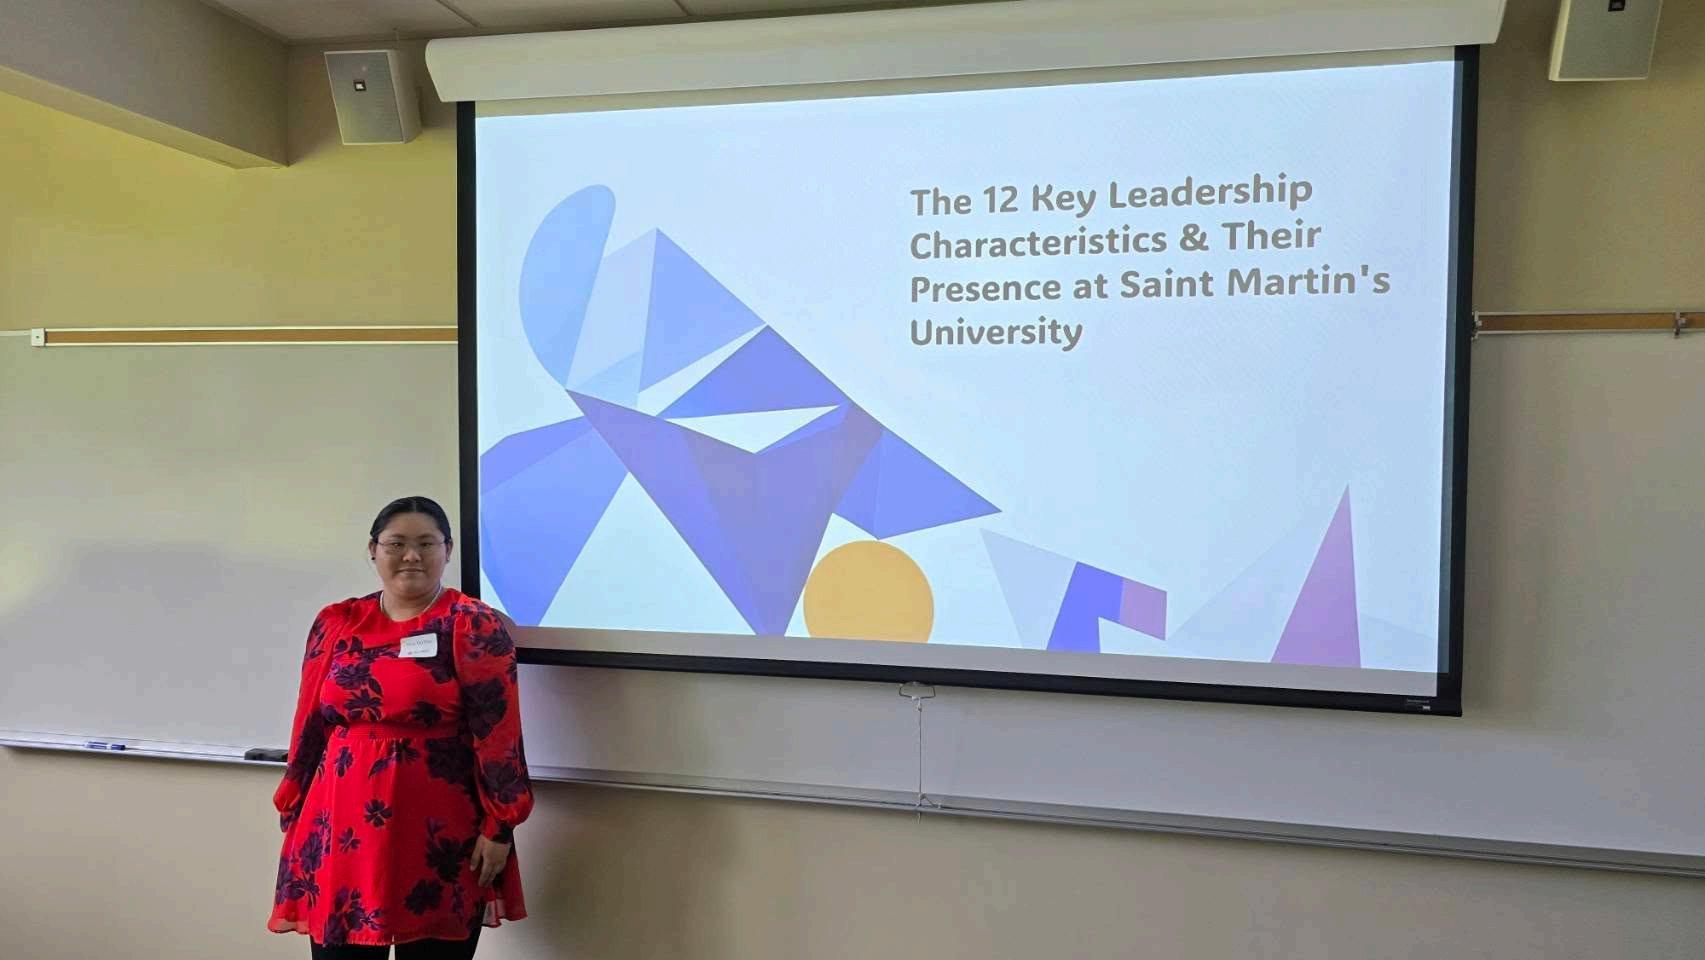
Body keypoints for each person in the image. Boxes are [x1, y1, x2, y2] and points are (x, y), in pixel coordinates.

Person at [268, 496, 533, 958]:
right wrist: (294, 799)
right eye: (396, 544)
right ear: (373, 550)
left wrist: (500, 827)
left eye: (427, 543)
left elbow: (498, 735)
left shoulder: (471, 624)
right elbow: (309, 720)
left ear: (448, 550)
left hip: (438, 831)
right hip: (339, 826)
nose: (412, 555)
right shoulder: (338, 622)